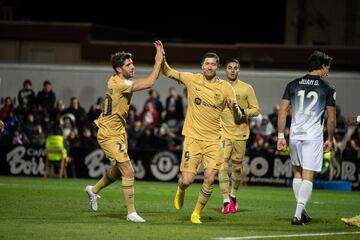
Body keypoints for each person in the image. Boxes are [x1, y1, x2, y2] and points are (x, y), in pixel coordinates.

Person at [85, 40, 164, 223]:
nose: (133, 67)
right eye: (128, 65)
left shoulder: (114, 79)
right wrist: (158, 61)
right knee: (128, 171)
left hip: (118, 132)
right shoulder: (121, 85)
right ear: (119, 69)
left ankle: (93, 190)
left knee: (118, 171)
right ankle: (131, 213)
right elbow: (151, 82)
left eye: (132, 63)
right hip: (109, 133)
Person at [161, 49, 243, 224]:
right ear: (202, 66)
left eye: (213, 64)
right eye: (207, 64)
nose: (210, 67)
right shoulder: (192, 79)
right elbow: (168, 71)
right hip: (193, 138)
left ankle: (196, 213)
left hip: (214, 140)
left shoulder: (226, 88)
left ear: (218, 67)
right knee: (187, 180)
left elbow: (237, 118)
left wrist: (236, 109)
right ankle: (180, 188)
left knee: (210, 178)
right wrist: (162, 59)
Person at [277, 50, 336, 225]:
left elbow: (282, 112)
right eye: (328, 67)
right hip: (313, 136)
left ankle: (302, 212)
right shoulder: (328, 88)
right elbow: (331, 119)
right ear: (323, 66)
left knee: (297, 173)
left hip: (295, 135)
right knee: (308, 175)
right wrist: (330, 138)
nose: (328, 71)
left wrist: (281, 136)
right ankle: (297, 215)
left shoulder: (292, 84)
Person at [218, 59, 260, 214]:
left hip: (240, 134)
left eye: (235, 68)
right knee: (222, 166)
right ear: (226, 70)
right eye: (229, 68)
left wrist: (243, 111)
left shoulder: (247, 88)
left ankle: (233, 195)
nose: (232, 70)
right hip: (222, 133)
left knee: (236, 168)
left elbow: (256, 110)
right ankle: (225, 200)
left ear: (239, 71)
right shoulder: (219, 86)